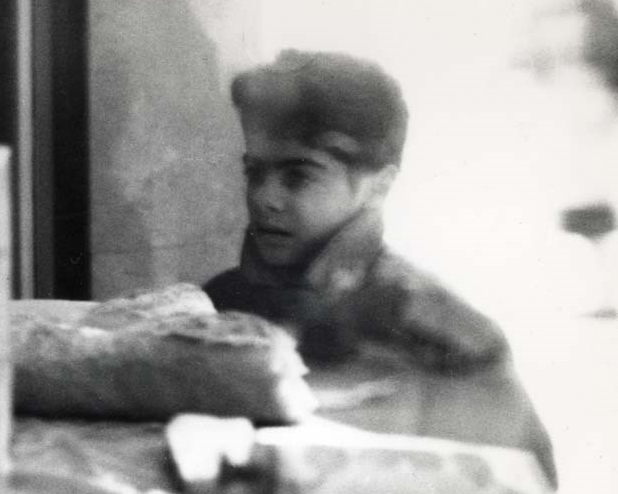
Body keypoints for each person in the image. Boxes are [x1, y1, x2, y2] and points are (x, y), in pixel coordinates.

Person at [206, 50, 508, 371]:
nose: (264, 198)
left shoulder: (439, 333)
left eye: (298, 176)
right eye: (254, 173)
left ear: (379, 186)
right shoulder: (217, 301)